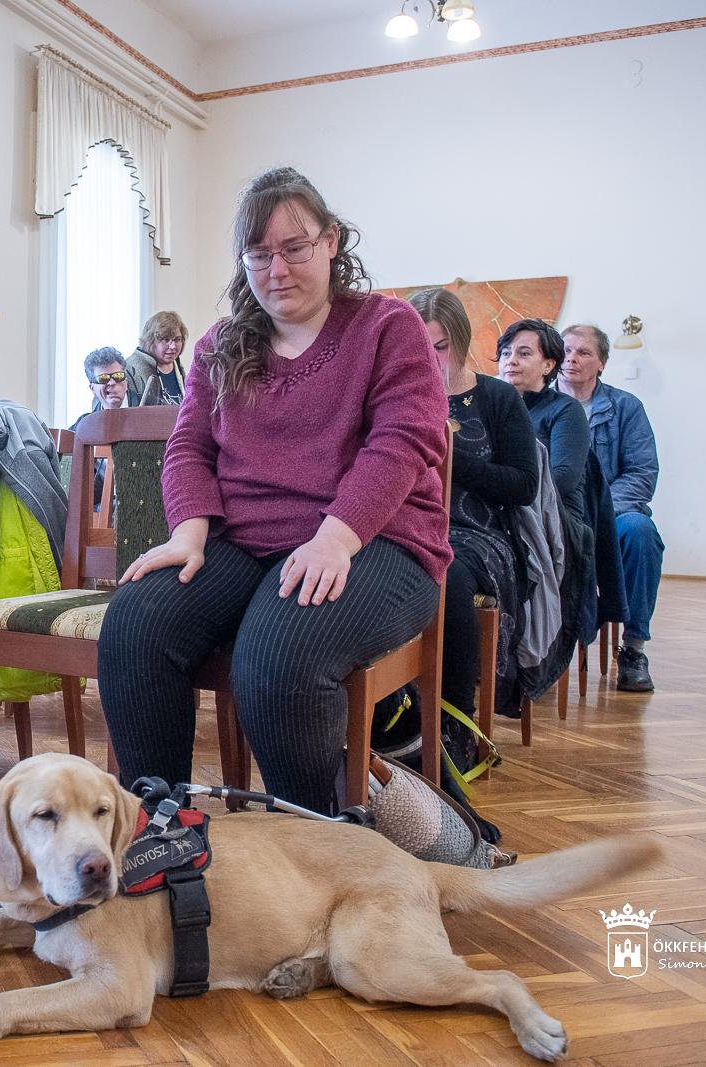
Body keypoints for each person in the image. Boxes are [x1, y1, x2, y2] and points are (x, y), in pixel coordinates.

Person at [97, 167, 449, 814]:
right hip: (245, 543)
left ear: (332, 242)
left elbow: (403, 441)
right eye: (258, 254)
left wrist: (335, 537)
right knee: (134, 625)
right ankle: (164, 833)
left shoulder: (386, 326)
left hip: (376, 543)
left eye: (295, 248)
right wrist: (189, 531)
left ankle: (316, 851)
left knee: (277, 660)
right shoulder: (221, 346)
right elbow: (189, 446)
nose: (277, 269)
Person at [410, 289, 538, 763]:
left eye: (439, 347)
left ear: (460, 342)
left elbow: (524, 484)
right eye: (418, 346)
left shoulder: (497, 397)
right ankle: (391, 718)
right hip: (408, 526)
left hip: (477, 535)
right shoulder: (395, 397)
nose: (429, 358)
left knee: (446, 574)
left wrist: (449, 459)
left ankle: (456, 728)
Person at [560, 324, 662, 691]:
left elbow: (641, 472)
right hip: (552, 514)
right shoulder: (537, 403)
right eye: (567, 350)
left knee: (640, 531)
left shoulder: (625, 408)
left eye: (583, 352)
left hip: (611, 514)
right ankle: (530, 651)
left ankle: (633, 649)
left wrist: (597, 513)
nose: (572, 358)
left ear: (602, 362)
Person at [496, 319, 588, 516]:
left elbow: (563, 479)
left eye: (524, 353)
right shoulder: (489, 407)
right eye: (505, 353)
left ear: (548, 365)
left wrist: (496, 488)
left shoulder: (566, 409)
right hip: (498, 510)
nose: (511, 360)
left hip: (552, 515)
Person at [70, 348, 127, 507]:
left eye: (118, 376)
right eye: (103, 379)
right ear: (92, 388)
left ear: (126, 381)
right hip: (101, 507)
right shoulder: (84, 426)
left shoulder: (149, 412)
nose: (112, 383)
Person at [125, 312, 189, 405]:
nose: (173, 346)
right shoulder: (131, 368)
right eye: (166, 340)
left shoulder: (177, 366)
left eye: (177, 339)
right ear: (150, 340)